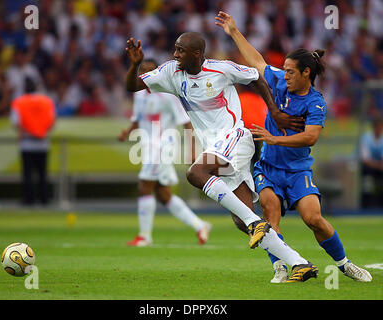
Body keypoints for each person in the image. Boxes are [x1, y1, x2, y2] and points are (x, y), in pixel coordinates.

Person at [125, 31, 319, 282]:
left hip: (235, 138)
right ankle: (299, 263)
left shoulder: (222, 69)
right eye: (174, 49)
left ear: (196, 54)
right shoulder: (171, 72)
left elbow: (257, 77)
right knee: (241, 220)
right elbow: (132, 86)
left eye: (180, 50)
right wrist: (134, 65)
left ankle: (255, 223)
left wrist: (274, 111)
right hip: (215, 149)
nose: (175, 54)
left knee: (196, 173)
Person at [215, 11, 372, 283]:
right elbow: (257, 61)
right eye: (284, 70)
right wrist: (233, 31)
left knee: (313, 219)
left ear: (306, 73)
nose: (284, 75)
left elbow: (310, 138)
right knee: (270, 214)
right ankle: (280, 267)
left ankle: (344, 264)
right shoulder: (278, 82)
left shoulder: (315, 103)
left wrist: (274, 139)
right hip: (268, 168)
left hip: (299, 170)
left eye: (290, 71)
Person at [119, 59, 211, 246]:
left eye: (150, 71)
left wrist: (192, 150)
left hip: (162, 146)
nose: (146, 76)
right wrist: (127, 132)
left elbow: (186, 122)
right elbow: (137, 119)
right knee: (163, 194)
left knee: (144, 186)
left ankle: (144, 236)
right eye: (142, 72)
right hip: (148, 146)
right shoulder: (139, 94)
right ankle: (200, 225)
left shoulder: (168, 94)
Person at [10, 77, 56, 206]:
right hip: (43, 142)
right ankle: (44, 199)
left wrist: (25, 130)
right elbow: (52, 121)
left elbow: (15, 122)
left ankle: (28, 199)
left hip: (27, 143)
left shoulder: (19, 102)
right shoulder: (47, 101)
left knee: (27, 174)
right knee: (42, 174)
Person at [360, 118, 383, 208]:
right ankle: (367, 204)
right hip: (367, 168)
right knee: (368, 177)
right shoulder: (366, 139)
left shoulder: (381, 140)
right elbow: (365, 160)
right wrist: (379, 166)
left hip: (377, 167)